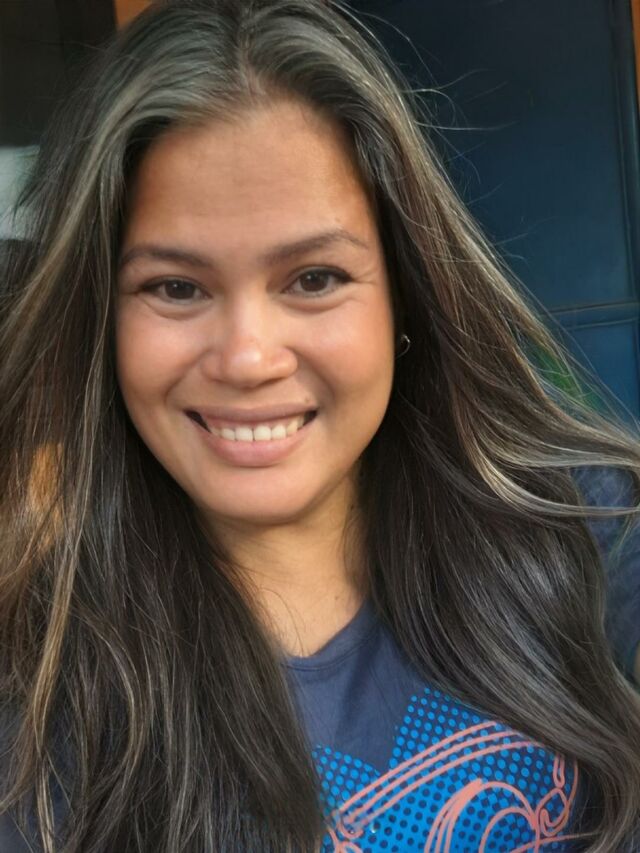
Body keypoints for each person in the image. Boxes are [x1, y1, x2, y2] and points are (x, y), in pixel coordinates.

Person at [0, 1, 639, 850]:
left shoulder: (585, 524)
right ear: (102, 323)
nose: (247, 358)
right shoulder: (45, 701)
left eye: (314, 277)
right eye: (175, 287)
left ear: (403, 292)